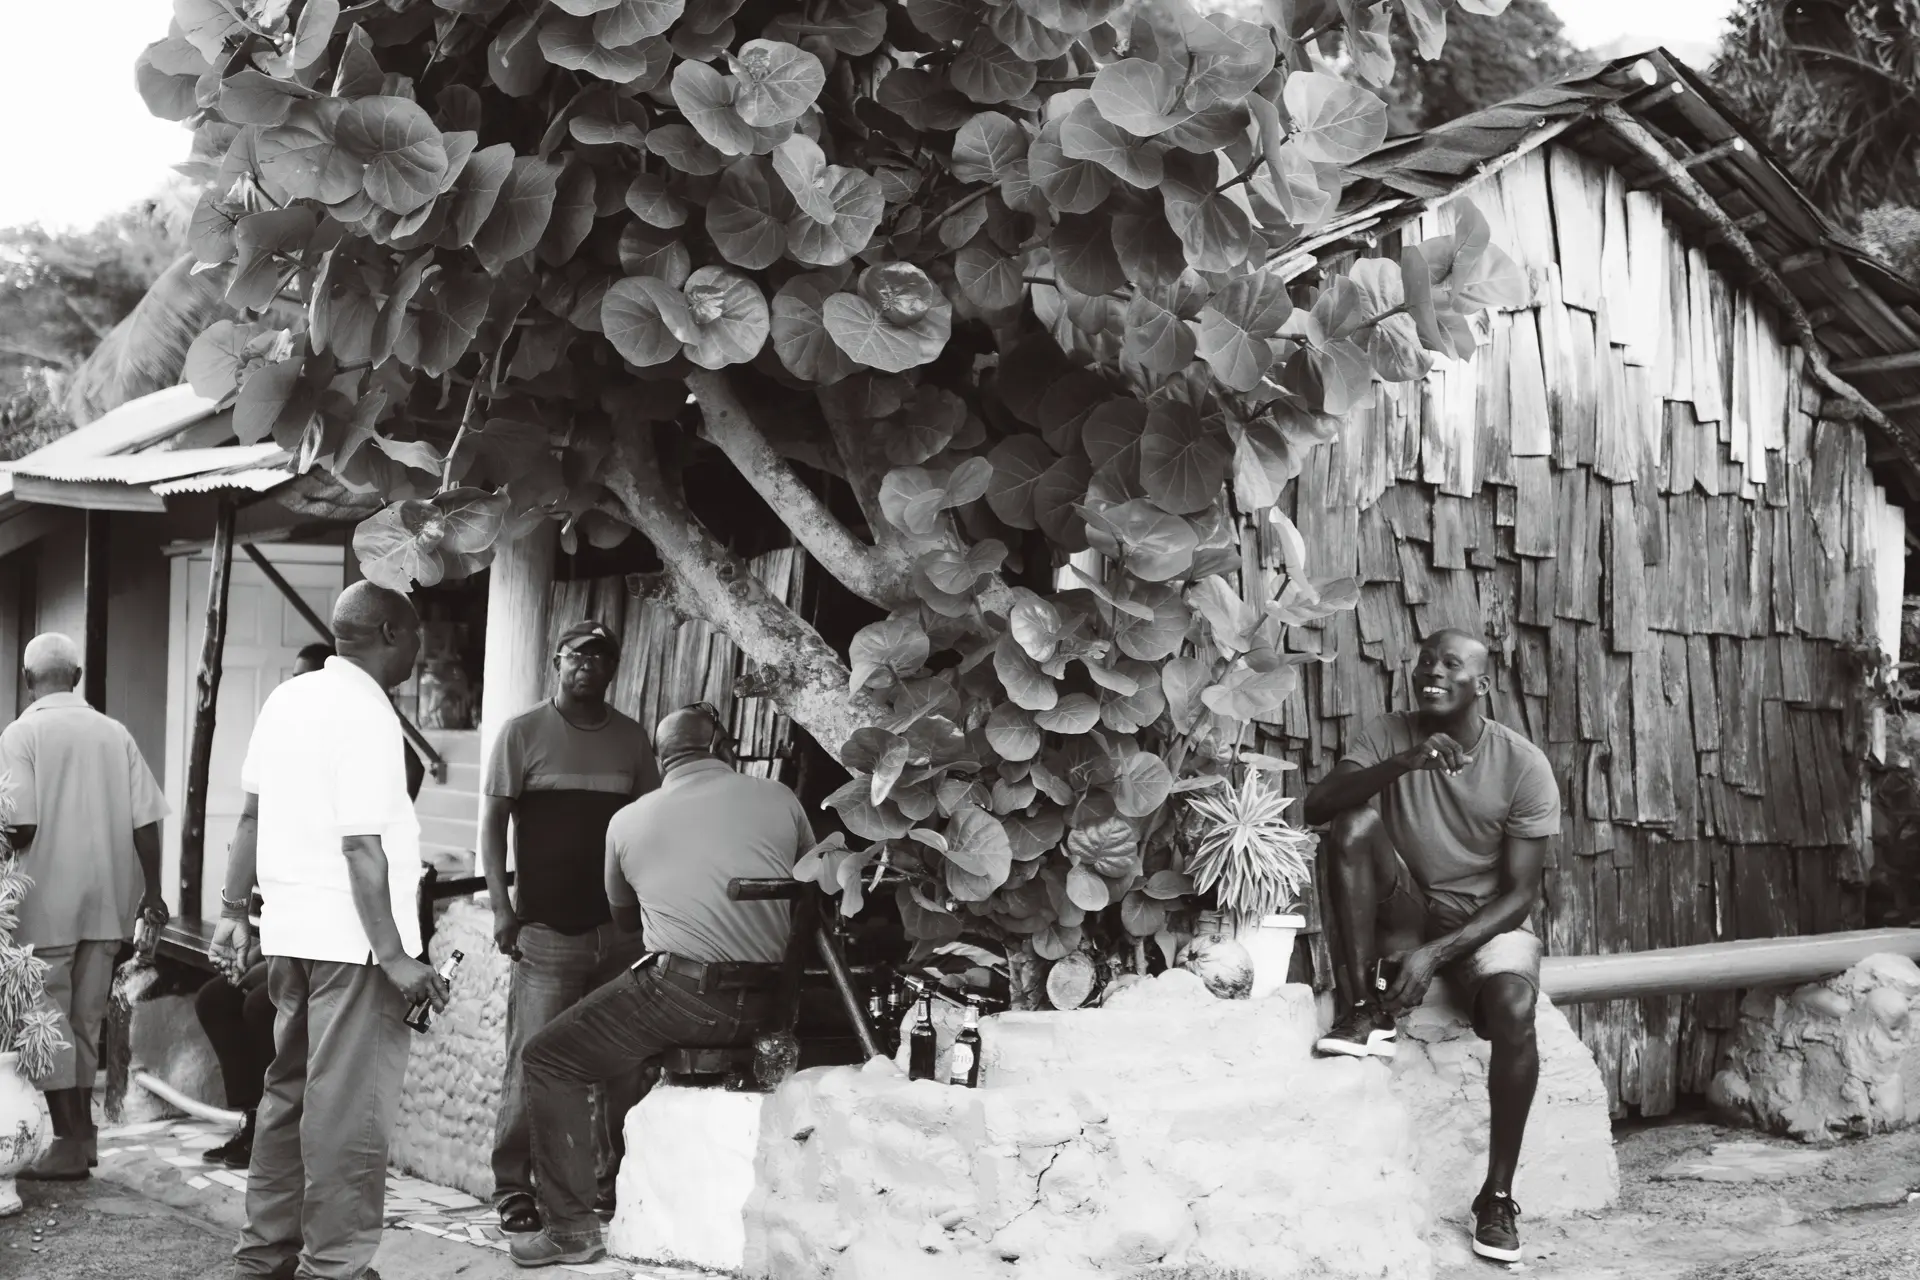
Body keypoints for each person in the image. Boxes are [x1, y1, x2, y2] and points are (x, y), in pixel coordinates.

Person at [507, 703, 812, 1268]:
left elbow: (625, 923)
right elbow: (814, 892)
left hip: (685, 997)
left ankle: (571, 1231)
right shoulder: (779, 798)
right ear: (722, 744)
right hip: (775, 1002)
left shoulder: (629, 820)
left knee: (548, 1057)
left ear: (660, 758)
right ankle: (608, 1183)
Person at [211, 583, 449, 1280]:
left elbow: (250, 816)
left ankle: (264, 1255)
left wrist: (231, 911)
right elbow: (361, 848)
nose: (420, 648)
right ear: (387, 632)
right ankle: (334, 1267)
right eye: (414, 635)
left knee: (288, 1094)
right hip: (354, 947)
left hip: (291, 935)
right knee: (348, 1112)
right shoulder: (367, 712)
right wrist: (395, 956)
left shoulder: (289, 698)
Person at [1301, 629, 1560, 1266]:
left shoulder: (1523, 765)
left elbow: (1520, 896)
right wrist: (1404, 763)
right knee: (1353, 821)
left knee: (1513, 1013)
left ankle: (1497, 1197)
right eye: (1424, 662)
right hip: (1409, 907)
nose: (1432, 673)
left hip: (1484, 925)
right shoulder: (1389, 734)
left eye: (1451, 665)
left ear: (1482, 684)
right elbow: (1317, 806)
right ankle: (1363, 1011)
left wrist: (1435, 956)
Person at [480, 620, 660, 1235]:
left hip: (620, 933)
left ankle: (609, 1185)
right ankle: (513, 1186)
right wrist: (502, 906)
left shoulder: (634, 742)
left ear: (613, 669)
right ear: (556, 662)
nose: (587, 663)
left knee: (621, 1062)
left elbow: (650, 828)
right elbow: (492, 824)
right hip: (547, 934)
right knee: (530, 1057)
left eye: (601, 655)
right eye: (576, 653)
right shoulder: (522, 733)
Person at [3, 632, 169, 1181]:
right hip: (105, 901)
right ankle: (84, 1139)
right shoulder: (114, 733)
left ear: (28, 681)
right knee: (84, 1021)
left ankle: (68, 1143)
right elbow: (147, 822)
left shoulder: (20, 733)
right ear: (76, 677)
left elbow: (20, 824)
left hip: (42, 902)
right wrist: (153, 892)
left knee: (45, 1022)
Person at [194, 642, 334, 1170]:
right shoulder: (281, 758)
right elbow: (250, 843)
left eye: (304, 680)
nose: (292, 691)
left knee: (258, 1006)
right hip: (273, 935)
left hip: (314, 940)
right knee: (214, 998)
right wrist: (243, 932)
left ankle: (276, 1126)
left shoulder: (340, 753)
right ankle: (251, 1118)